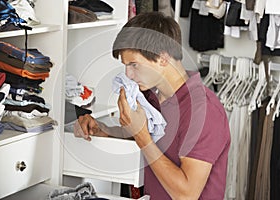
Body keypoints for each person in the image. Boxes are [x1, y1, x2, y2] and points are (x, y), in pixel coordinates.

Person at [74, 11, 231, 200]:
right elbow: (149, 139)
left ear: (163, 58)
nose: (129, 74)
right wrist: (103, 130)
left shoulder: (204, 111)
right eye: (126, 66)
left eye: (134, 65)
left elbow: (186, 194)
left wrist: (143, 137)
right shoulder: (150, 96)